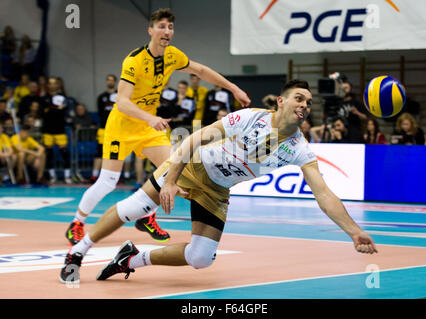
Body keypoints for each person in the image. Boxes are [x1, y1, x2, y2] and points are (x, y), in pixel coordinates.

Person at [59, 80, 376, 284]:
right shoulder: (251, 117)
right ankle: (79, 251)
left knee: (200, 258)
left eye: (308, 103)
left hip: (217, 189)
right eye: (299, 98)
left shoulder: (299, 149)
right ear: (280, 101)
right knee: (135, 207)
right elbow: (194, 139)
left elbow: (323, 193)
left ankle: (131, 258)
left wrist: (354, 231)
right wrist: (169, 182)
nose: (305, 105)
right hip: (192, 166)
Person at [63, 8, 250, 249]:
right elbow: (122, 101)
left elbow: (201, 71)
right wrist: (149, 118)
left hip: (149, 127)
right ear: (150, 30)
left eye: (170, 27)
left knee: (172, 171)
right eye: (161, 26)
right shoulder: (134, 60)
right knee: (108, 181)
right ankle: (77, 223)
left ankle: (146, 216)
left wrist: (233, 88)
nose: (167, 31)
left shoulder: (172, 55)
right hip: (122, 126)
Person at [41, 76, 72, 184]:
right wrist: (56, 109)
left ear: (57, 85)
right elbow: (43, 112)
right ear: (48, 85)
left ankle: (67, 176)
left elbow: (62, 112)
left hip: (60, 129)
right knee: (49, 154)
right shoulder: (44, 98)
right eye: (50, 83)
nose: (52, 85)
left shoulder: (63, 97)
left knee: (64, 153)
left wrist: (50, 109)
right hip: (47, 130)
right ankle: (52, 176)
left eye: (54, 83)